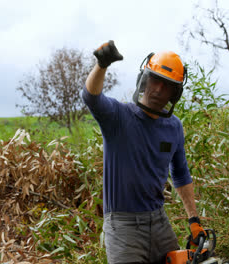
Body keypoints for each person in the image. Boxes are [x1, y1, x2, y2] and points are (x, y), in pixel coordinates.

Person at [83, 40, 206, 264]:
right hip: (123, 226)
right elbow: (91, 97)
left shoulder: (174, 127)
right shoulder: (118, 117)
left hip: (159, 222)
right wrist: (101, 65)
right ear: (144, 79)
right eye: (155, 80)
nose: (158, 89)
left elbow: (180, 173)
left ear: (174, 93)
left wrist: (194, 220)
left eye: (167, 85)